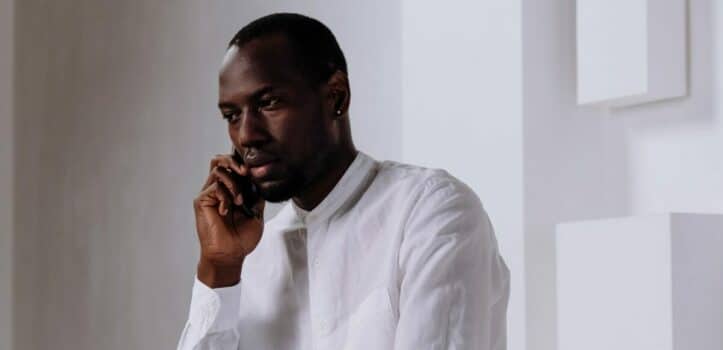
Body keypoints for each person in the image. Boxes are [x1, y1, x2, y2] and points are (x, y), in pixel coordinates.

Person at [177, 12, 510, 350]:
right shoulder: (252, 258)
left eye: (268, 103)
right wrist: (219, 270)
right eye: (232, 116)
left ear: (336, 96)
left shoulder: (430, 212)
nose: (246, 135)